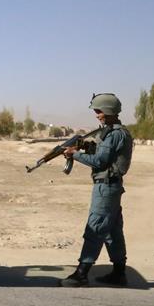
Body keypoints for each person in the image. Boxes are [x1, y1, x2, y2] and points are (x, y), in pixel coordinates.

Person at [59, 93, 133, 287]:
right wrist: (82, 146)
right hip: (111, 186)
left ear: (108, 111)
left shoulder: (115, 134)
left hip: (106, 188)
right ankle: (119, 273)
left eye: (99, 111)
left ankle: (82, 274)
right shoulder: (113, 132)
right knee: (113, 232)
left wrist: (74, 155)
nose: (97, 115)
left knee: (96, 227)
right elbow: (101, 153)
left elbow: (100, 161)